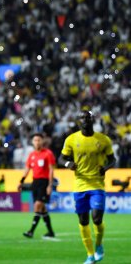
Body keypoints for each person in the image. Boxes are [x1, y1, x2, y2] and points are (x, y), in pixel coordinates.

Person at [58, 110, 116, 264]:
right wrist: (67, 163)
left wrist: (105, 168)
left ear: (93, 120)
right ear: (79, 121)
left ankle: (99, 245)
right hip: (79, 185)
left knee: (96, 218)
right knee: (83, 221)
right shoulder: (71, 139)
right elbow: (61, 158)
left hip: (97, 184)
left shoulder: (103, 140)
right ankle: (90, 255)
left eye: (88, 117)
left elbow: (113, 159)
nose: (85, 120)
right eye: (82, 118)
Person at [18, 133, 56, 239]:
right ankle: (50, 232)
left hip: (44, 183)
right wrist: (21, 181)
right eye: (35, 140)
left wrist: (50, 185)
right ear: (32, 142)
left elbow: (51, 170)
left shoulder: (48, 153)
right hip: (35, 182)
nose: (37, 142)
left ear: (42, 141)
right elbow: (27, 169)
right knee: (42, 209)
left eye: (39, 140)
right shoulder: (32, 155)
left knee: (37, 205)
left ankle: (31, 231)